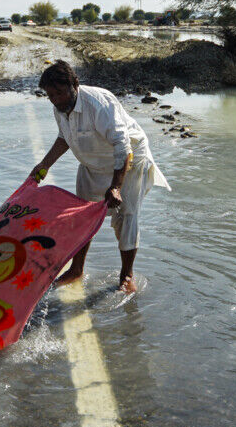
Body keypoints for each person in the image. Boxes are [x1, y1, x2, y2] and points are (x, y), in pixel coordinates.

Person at [29, 60, 169, 292]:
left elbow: (123, 149)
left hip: (128, 162)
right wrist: (43, 166)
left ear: (75, 85)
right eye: (50, 95)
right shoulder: (60, 107)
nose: (55, 100)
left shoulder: (99, 104)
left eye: (60, 93)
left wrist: (116, 187)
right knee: (82, 214)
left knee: (126, 216)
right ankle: (76, 269)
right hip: (93, 164)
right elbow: (64, 138)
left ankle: (127, 275)